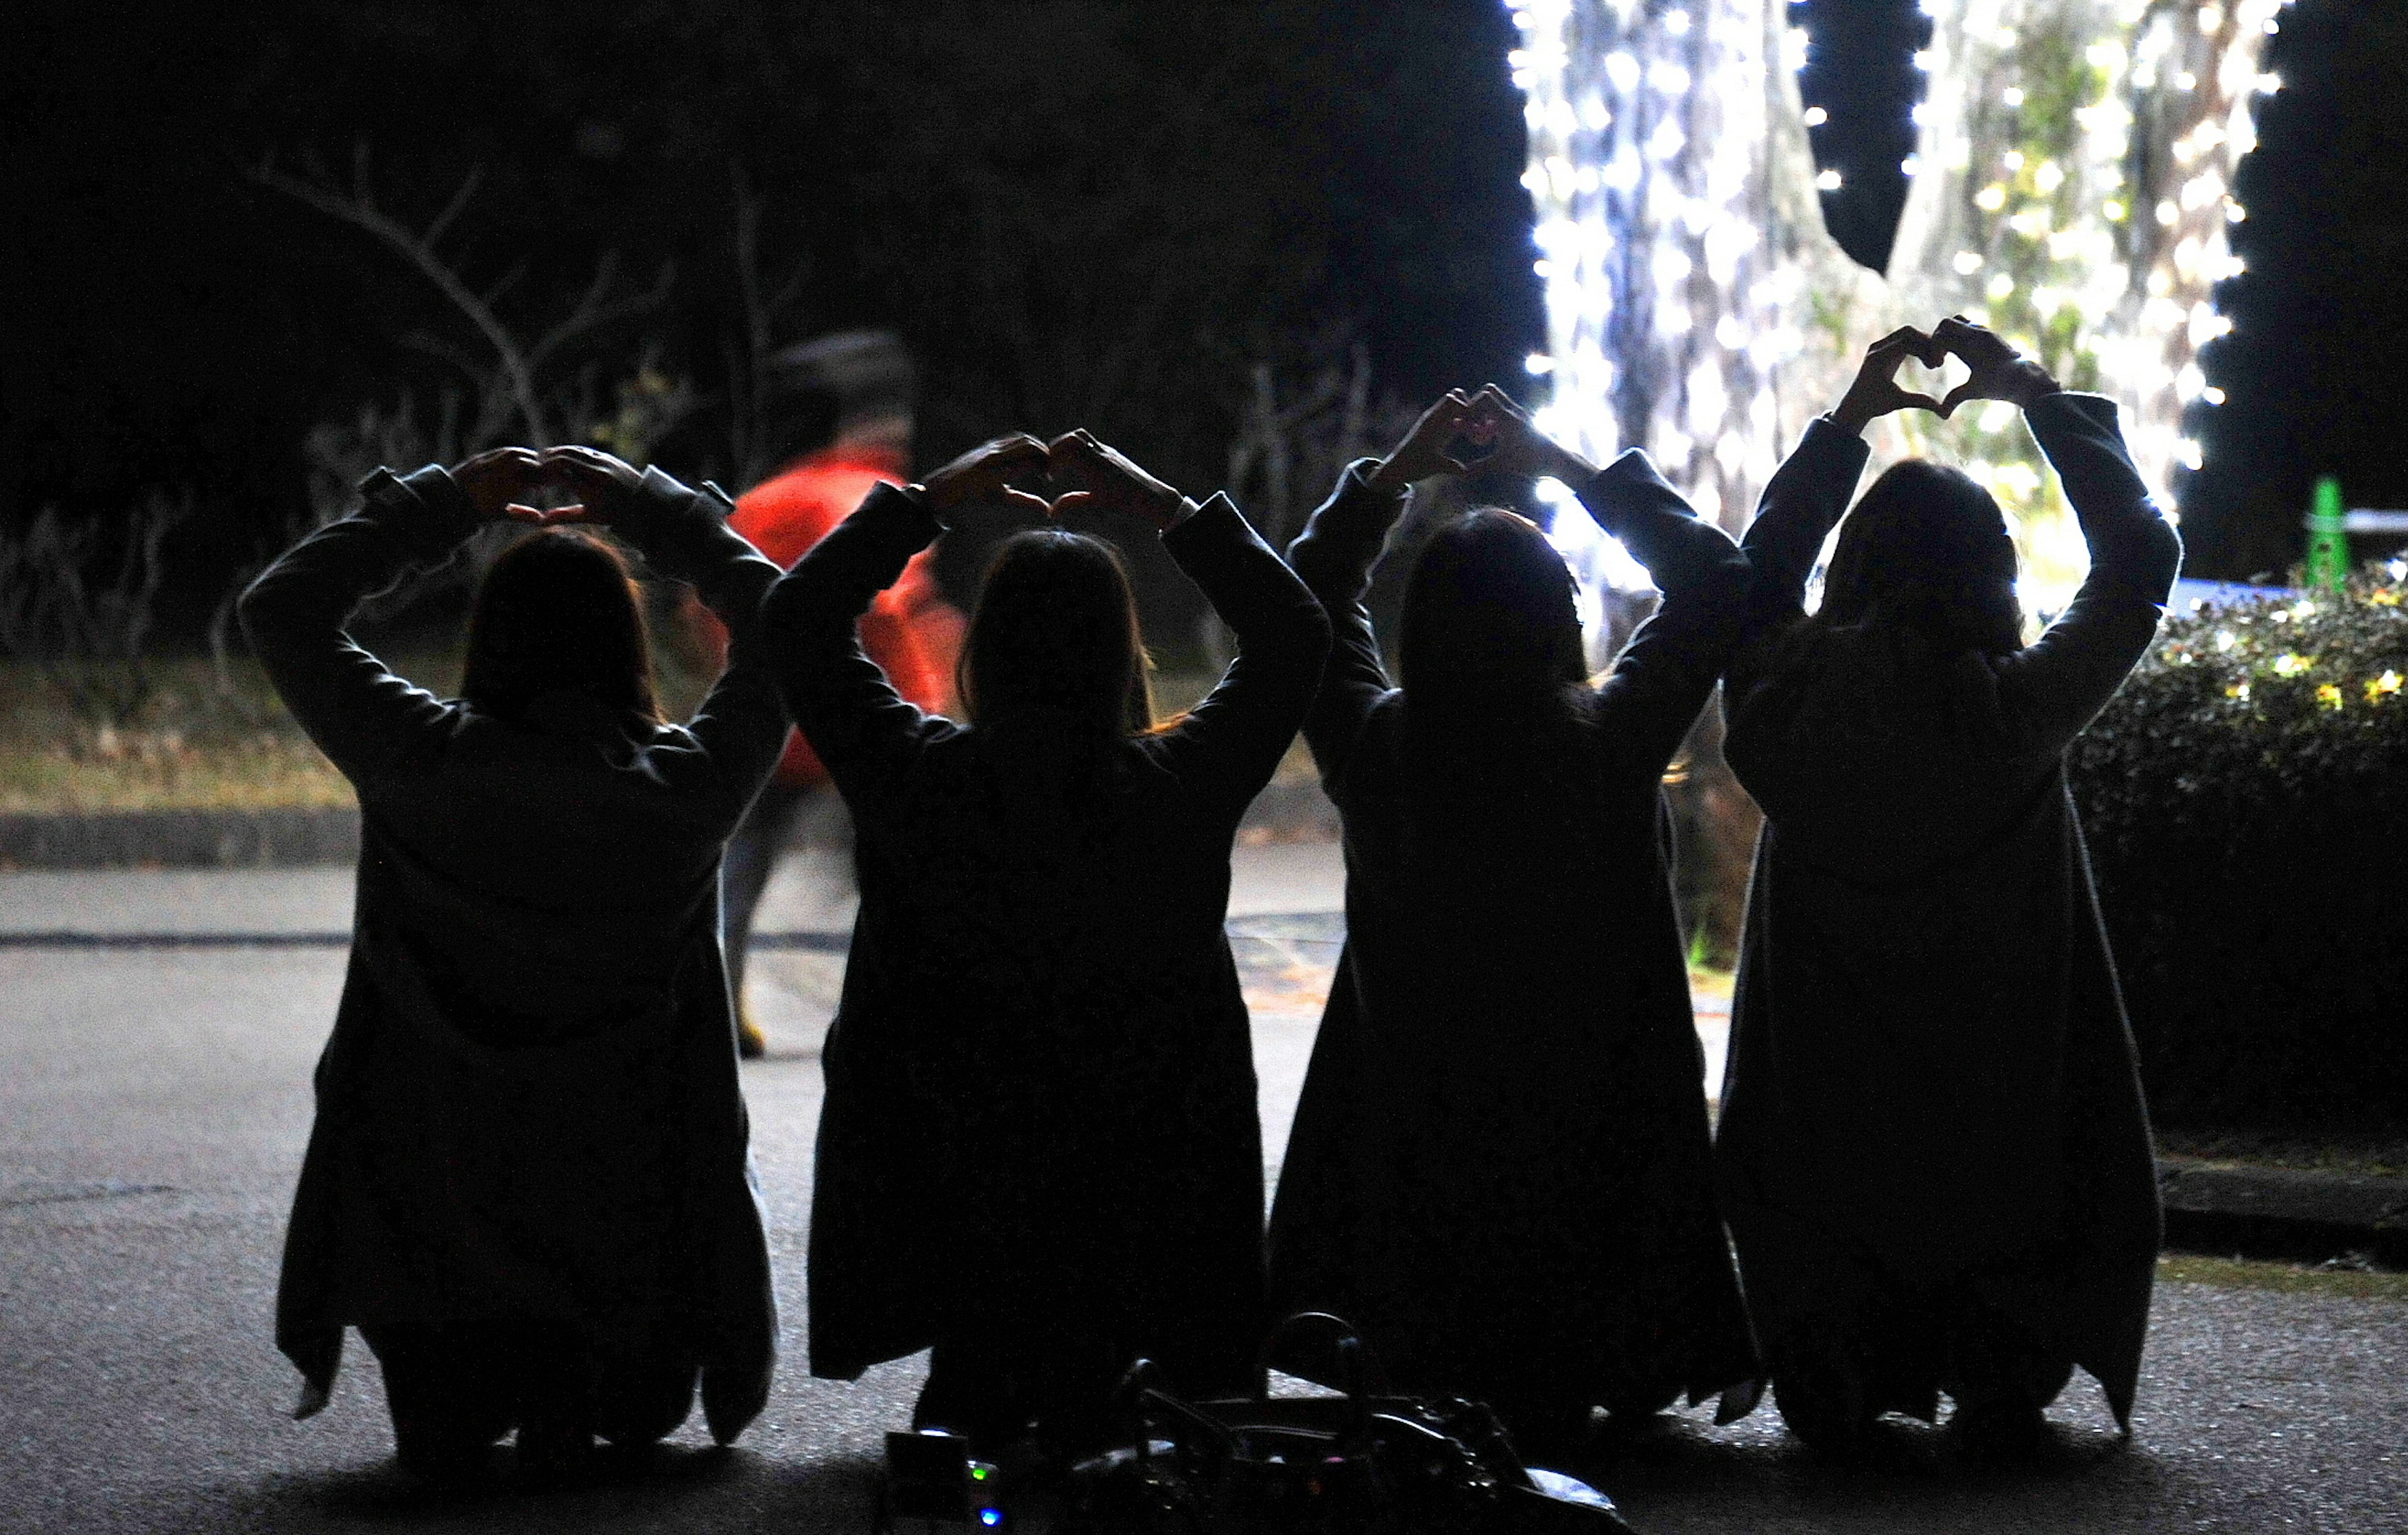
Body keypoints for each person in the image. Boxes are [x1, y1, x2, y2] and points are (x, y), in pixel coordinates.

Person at [762, 429, 1327, 1453]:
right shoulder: (1177, 782)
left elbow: (798, 618)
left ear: (987, 646)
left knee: (977, 1392)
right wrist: (1162, 502)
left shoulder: (920, 775)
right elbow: (1293, 630)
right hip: (1150, 1182)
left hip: (961, 1175)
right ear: (1122, 651)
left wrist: (925, 499)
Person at [240, 445, 786, 1484]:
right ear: (626, 649)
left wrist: (442, 505)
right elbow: (782, 619)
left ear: (487, 643)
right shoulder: (685, 793)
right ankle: (589, 1377)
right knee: (638, 1404)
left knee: (441, 1400)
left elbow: (284, 607)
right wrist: (656, 512)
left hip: (433, 1253)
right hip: (632, 1264)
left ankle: (482, 1379)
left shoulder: (419, 760)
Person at [1714, 318, 2181, 1460]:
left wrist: (1851, 421)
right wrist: (2037, 397)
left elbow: (1757, 578)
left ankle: (1834, 1364)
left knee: (1830, 1185)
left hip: (1829, 1098)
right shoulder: (2013, 713)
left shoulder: (1780, 703)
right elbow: (2139, 559)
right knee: (2002, 1176)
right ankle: (2001, 1367)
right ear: (1994, 579)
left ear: (1855, 570)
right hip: (1991, 1087)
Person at [1264, 387, 1758, 1455]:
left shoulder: (1377, 746)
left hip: (1419, 1157)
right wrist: (1570, 467)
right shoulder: (1610, 742)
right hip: (1589, 1142)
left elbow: (1309, 592)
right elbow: (1717, 576)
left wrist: (1395, 473)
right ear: (1560, 620)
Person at [700, 332, 965, 1057]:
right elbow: (885, 608)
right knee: (902, 870)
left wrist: (738, 680)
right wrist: (926, 700)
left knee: (741, 865)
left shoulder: (763, 499)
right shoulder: (863, 497)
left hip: (771, 720)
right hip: (861, 726)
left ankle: (720, 1002)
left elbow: (702, 607)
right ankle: (903, 1002)